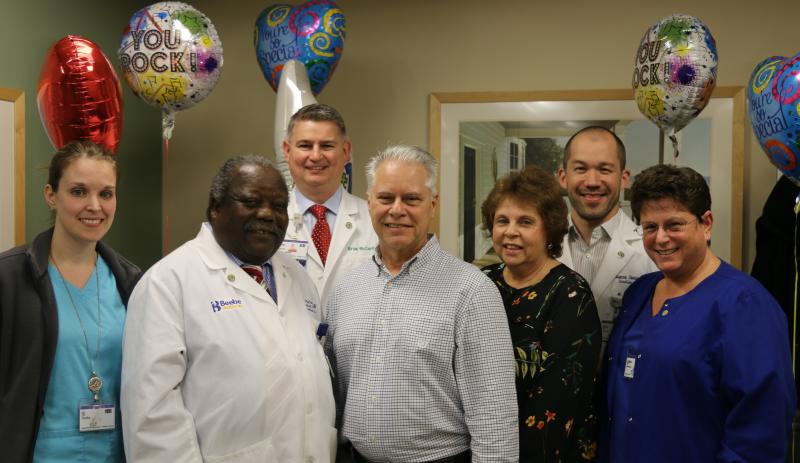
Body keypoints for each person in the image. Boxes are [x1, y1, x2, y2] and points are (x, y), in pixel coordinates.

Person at [121, 155, 336, 462]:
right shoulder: (168, 283)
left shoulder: (299, 278)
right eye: (250, 201)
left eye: (278, 206)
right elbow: (152, 416)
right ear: (215, 208)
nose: (267, 214)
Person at [325, 145, 518, 463]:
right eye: (385, 198)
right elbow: (333, 397)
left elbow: (494, 418)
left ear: (433, 204)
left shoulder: (472, 292)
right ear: (369, 202)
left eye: (411, 199)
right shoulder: (346, 290)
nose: (396, 210)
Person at [601, 164, 796, 463]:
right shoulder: (639, 292)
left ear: (706, 224)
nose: (660, 238)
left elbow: (761, 430)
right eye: (650, 227)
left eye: (674, 225)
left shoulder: (746, 305)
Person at [0, 140, 141, 462]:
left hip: (116, 453)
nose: (94, 205)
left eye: (106, 194)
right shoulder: (9, 278)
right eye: (78, 192)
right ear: (51, 195)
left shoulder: (132, 284)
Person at [481, 166, 601, 462]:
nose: (511, 231)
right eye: (502, 221)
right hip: (482, 445)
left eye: (525, 221)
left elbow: (557, 401)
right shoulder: (481, 283)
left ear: (549, 229)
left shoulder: (570, 293)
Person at [558, 126, 656, 350]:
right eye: (580, 168)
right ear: (563, 177)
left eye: (604, 169)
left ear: (623, 178)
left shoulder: (651, 250)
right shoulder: (541, 245)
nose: (592, 181)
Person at [282, 104, 378, 309]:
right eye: (305, 145)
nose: (316, 156)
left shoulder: (375, 219)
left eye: (326, 146)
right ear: (287, 151)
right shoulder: (269, 221)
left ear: (346, 151)